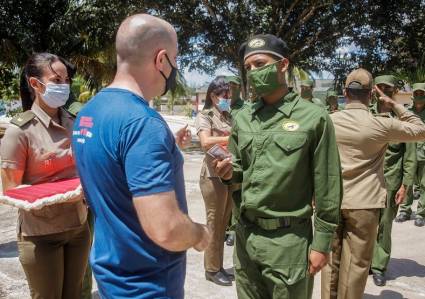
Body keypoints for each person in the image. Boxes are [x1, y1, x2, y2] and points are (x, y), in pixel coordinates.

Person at [72, 14, 210, 298]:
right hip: (149, 285)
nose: (175, 70)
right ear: (161, 60)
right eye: (175, 60)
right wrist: (199, 234)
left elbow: (111, 177)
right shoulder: (143, 123)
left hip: (112, 278)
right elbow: (166, 229)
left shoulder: (88, 113)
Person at [214, 34, 342, 299]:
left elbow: (327, 184)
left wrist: (322, 244)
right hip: (246, 238)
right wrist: (228, 172)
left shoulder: (314, 118)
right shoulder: (244, 118)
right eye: (248, 67)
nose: (252, 72)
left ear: (283, 65)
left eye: (260, 63)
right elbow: (240, 171)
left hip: (289, 243)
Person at [321, 69, 425, 299]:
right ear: (371, 95)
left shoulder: (327, 121)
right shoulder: (380, 124)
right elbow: (420, 130)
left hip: (330, 200)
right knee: (356, 264)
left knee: (330, 261)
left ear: (345, 93)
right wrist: (394, 104)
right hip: (365, 203)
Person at [0, 52, 91, 299]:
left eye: (66, 80)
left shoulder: (75, 123)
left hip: (78, 228)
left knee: (73, 295)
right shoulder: (20, 132)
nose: (64, 86)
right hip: (41, 234)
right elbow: (11, 190)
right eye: (56, 80)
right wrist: (59, 193)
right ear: (35, 84)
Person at [369, 75, 417, 286]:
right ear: (372, 90)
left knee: (384, 226)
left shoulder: (403, 122)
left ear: (395, 93)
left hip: (390, 182)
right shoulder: (363, 116)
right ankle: (366, 261)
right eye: (380, 88)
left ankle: (379, 266)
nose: (383, 93)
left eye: (388, 90)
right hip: (366, 183)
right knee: (365, 225)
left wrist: (406, 185)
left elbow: (410, 156)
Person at [195, 76, 234, 286]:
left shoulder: (228, 117)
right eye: (223, 95)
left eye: (229, 94)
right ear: (213, 96)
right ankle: (211, 269)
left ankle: (218, 266)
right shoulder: (206, 116)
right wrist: (232, 138)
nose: (227, 98)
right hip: (212, 177)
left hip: (229, 173)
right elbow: (205, 142)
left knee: (223, 223)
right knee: (214, 223)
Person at [396, 82, 425, 227]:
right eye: (417, 93)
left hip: (424, 156)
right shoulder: (406, 113)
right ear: (413, 95)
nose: (419, 96)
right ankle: (405, 211)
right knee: (406, 183)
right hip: (409, 154)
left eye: (422, 93)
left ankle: (421, 213)